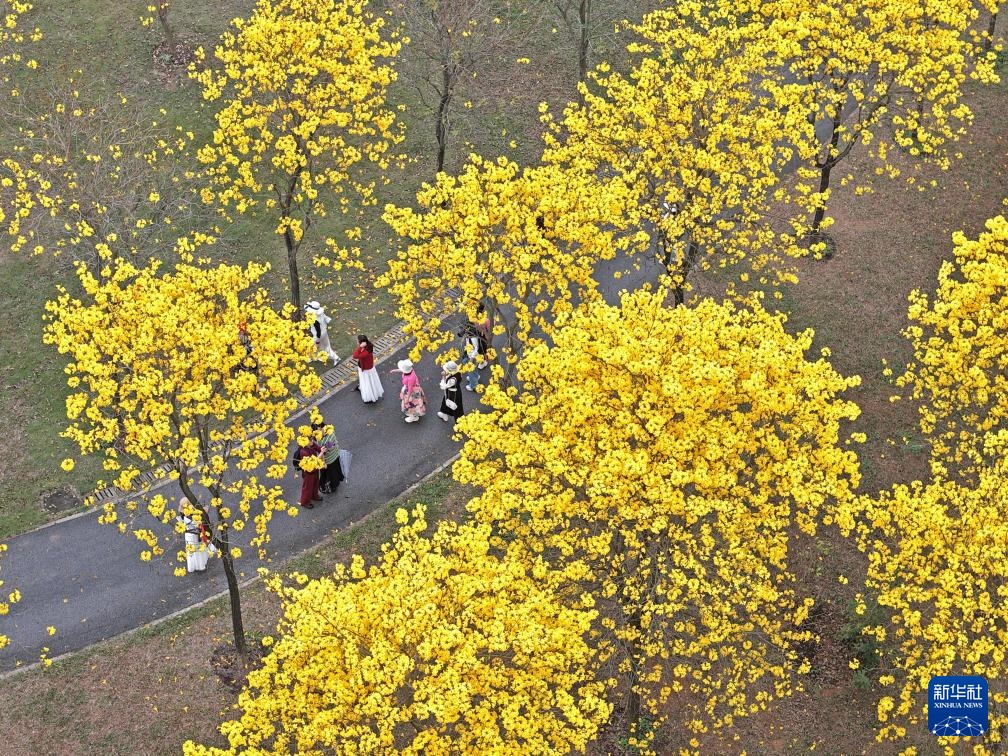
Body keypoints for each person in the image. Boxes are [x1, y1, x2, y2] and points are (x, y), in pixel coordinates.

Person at [178, 508, 217, 573]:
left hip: (189, 536)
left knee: (193, 551)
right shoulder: (192, 517)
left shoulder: (183, 517)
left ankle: (194, 565)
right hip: (195, 535)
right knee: (198, 550)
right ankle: (201, 564)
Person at [304, 301, 341, 366]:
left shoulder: (314, 319)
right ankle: (336, 357)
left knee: (311, 346)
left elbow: (318, 331)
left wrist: (318, 340)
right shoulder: (321, 314)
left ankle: (311, 358)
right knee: (327, 347)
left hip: (318, 335)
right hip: (324, 332)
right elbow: (326, 319)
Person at [351, 334, 384, 403]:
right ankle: (362, 388)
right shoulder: (369, 346)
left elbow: (355, 356)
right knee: (370, 380)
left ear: (361, 343)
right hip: (369, 367)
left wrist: (359, 347)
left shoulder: (365, 352)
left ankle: (369, 395)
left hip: (366, 369)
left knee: (367, 381)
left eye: (358, 341)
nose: (357, 342)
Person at [392, 358, 427, 423]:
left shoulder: (410, 378)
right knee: (416, 404)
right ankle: (415, 415)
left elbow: (410, 390)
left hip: (411, 392)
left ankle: (413, 417)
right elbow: (404, 370)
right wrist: (395, 370)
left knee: (411, 405)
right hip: (414, 389)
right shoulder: (411, 371)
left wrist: (407, 399)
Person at [295, 436, 324, 509]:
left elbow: (319, 449)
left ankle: (314, 495)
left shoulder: (311, 444)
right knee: (307, 487)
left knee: (316, 483)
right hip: (308, 472)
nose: (312, 441)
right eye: (310, 440)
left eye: (312, 439)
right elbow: (313, 462)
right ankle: (305, 502)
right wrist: (322, 453)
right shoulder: (303, 452)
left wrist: (325, 448)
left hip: (315, 469)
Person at [318, 421, 344, 493]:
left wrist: (332, 446)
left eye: (321, 429)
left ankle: (336, 482)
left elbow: (335, 441)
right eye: (318, 430)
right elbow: (321, 452)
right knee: (330, 474)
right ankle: (330, 486)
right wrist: (323, 462)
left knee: (336, 470)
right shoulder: (318, 439)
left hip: (334, 455)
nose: (320, 431)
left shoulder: (330, 431)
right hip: (327, 460)